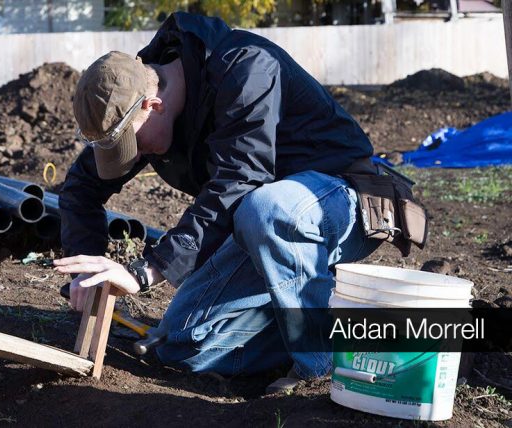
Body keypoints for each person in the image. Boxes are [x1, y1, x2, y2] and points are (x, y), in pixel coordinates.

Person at [53, 11, 384, 391]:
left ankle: (320, 363)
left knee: (267, 209)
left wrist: (146, 271)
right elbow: (81, 187)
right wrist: (86, 274)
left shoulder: (246, 68)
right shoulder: (133, 91)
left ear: (153, 105)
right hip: (262, 226)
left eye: (136, 145)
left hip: (341, 201)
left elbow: (239, 182)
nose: (135, 156)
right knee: (182, 344)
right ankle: (355, 325)